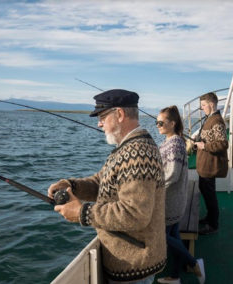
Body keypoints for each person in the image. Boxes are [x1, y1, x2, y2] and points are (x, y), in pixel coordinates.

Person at [47, 89, 166, 284]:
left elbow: (135, 214)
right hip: (132, 262)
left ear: (119, 114)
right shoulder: (129, 148)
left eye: (102, 117)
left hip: (133, 267)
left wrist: (82, 213)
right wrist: (72, 186)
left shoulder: (137, 153)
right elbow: (101, 182)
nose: (99, 123)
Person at [155, 106, 205, 284]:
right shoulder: (173, 141)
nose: (158, 125)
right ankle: (175, 276)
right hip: (175, 198)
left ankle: (193, 263)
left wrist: (154, 188)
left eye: (161, 122)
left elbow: (172, 174)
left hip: (170, 200)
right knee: (174, 236)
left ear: (172, 123)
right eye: (156, 122)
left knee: (160, 236)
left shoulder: (174, 143)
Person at [194, 92, 228, 235]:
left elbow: (223, 144)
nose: (202, 108)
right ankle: (209, 218)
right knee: (206, 192)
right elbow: (208, 138)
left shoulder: (217, 121)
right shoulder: (210, 119)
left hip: (210, 167)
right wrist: (198, 141)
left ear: (211, 104)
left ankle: (213, 225)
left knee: (210, 195)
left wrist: (204, 146)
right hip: (205, 166)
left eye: (203, 105)